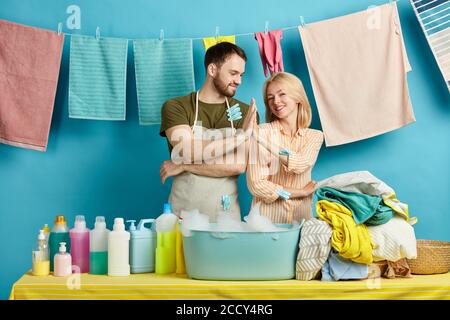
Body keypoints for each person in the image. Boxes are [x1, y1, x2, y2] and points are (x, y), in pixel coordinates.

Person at [159, 42, 258, 222]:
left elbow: (237, 165)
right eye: (233, 73)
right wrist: (241, 137)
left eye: (241, 75)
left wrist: (184, 165)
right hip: (181, 217)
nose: (239, 81)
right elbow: (188, 151)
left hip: (226, 218)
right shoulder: (176, 107)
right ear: (212, 70)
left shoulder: (246, 112)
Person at [247, 72, 323, 223]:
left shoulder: (314, 136)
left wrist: (266, 143)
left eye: (282, 94)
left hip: (301, 221)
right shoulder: (262, 131)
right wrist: (299, 192)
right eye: (270, 98)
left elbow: (300, 164)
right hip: (265, 223)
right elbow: (257, 185)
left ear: (297, 97)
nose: (276, 101)